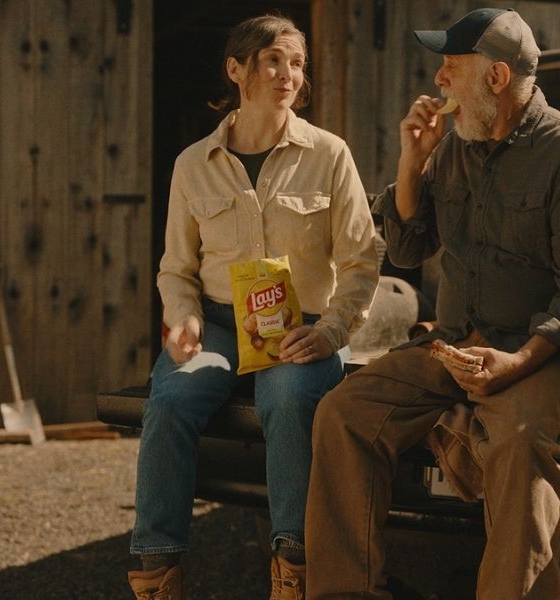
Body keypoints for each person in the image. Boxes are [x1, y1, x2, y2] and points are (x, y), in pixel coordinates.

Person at [305, 8, 560, 599]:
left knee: (519, 442)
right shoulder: (455, 147)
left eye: (452, 66)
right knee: (343, 413)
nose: (439, 79)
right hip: (453, 344)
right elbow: (406, 248)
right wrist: (412, 161)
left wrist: (517, 362)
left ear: (496, 77)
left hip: (545, 354)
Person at [126, 13, 379, 600]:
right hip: (217, 324)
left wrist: (332, 331)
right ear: (236, 70)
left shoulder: (329, 154)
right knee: (170, 400)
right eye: (273, 60)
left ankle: (294, 568)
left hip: (303, 329)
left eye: (297, 63)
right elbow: (176, 269)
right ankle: (156, 571)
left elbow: (362, 261)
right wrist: (184, 319)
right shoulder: (193, 164)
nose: (288, 74)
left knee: (287, 402)